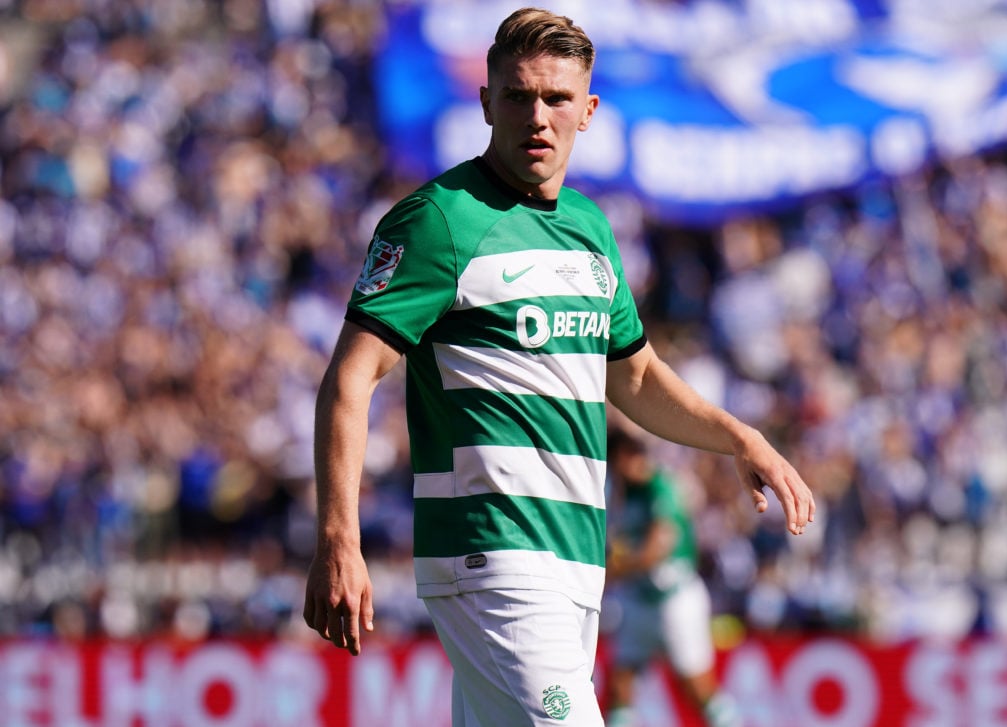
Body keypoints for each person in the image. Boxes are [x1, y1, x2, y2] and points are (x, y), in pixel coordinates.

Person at [303, 7, 814, 726]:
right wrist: (338, 538)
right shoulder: (439, 221)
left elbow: (634, 376)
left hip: (575, 564)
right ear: (485, 102)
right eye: (517, 96)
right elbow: (350, 378)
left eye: (556, 98)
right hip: (494, 557)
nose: (536, 116)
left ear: (589, 110)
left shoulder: (590, 228)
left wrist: (741, 436)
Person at [603, 426, 741, 727]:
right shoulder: (622, 495)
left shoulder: (661, 488)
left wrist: (607, 573)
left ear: (624, 458)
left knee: (696, 688)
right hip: (639, 599)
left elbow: (655, 552)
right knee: (619, 685)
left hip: (675, 600)